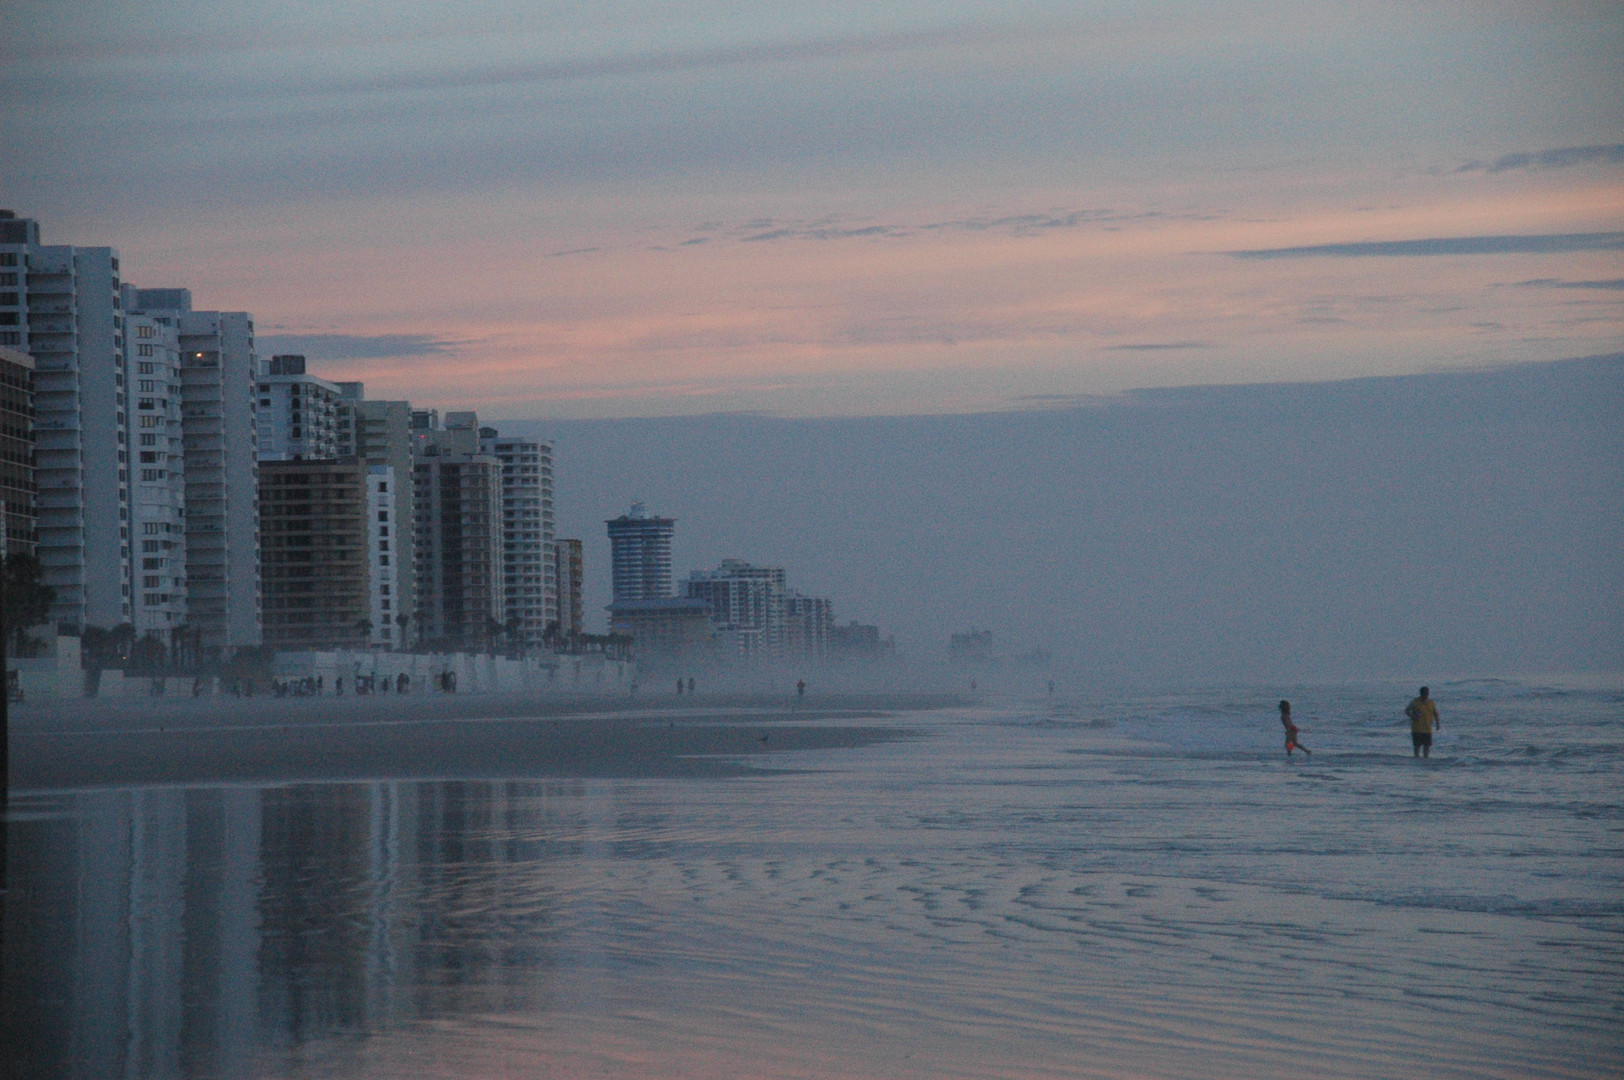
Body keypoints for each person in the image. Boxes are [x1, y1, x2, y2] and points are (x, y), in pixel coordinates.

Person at [1406, 686, 1440, 758]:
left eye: (1427, 693)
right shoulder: (1415, 701)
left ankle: (1425, 761)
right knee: (1417, 746)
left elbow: (1435, 713)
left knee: (1427, 747)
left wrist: (1437, 724)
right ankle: (1416, 760)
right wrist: (1413, 716)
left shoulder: (1431, 702)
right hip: (1417, 728)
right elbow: (1407, 711)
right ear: (1421, 693)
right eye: (1424, 694)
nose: (1426, 695)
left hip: (1427, 728)